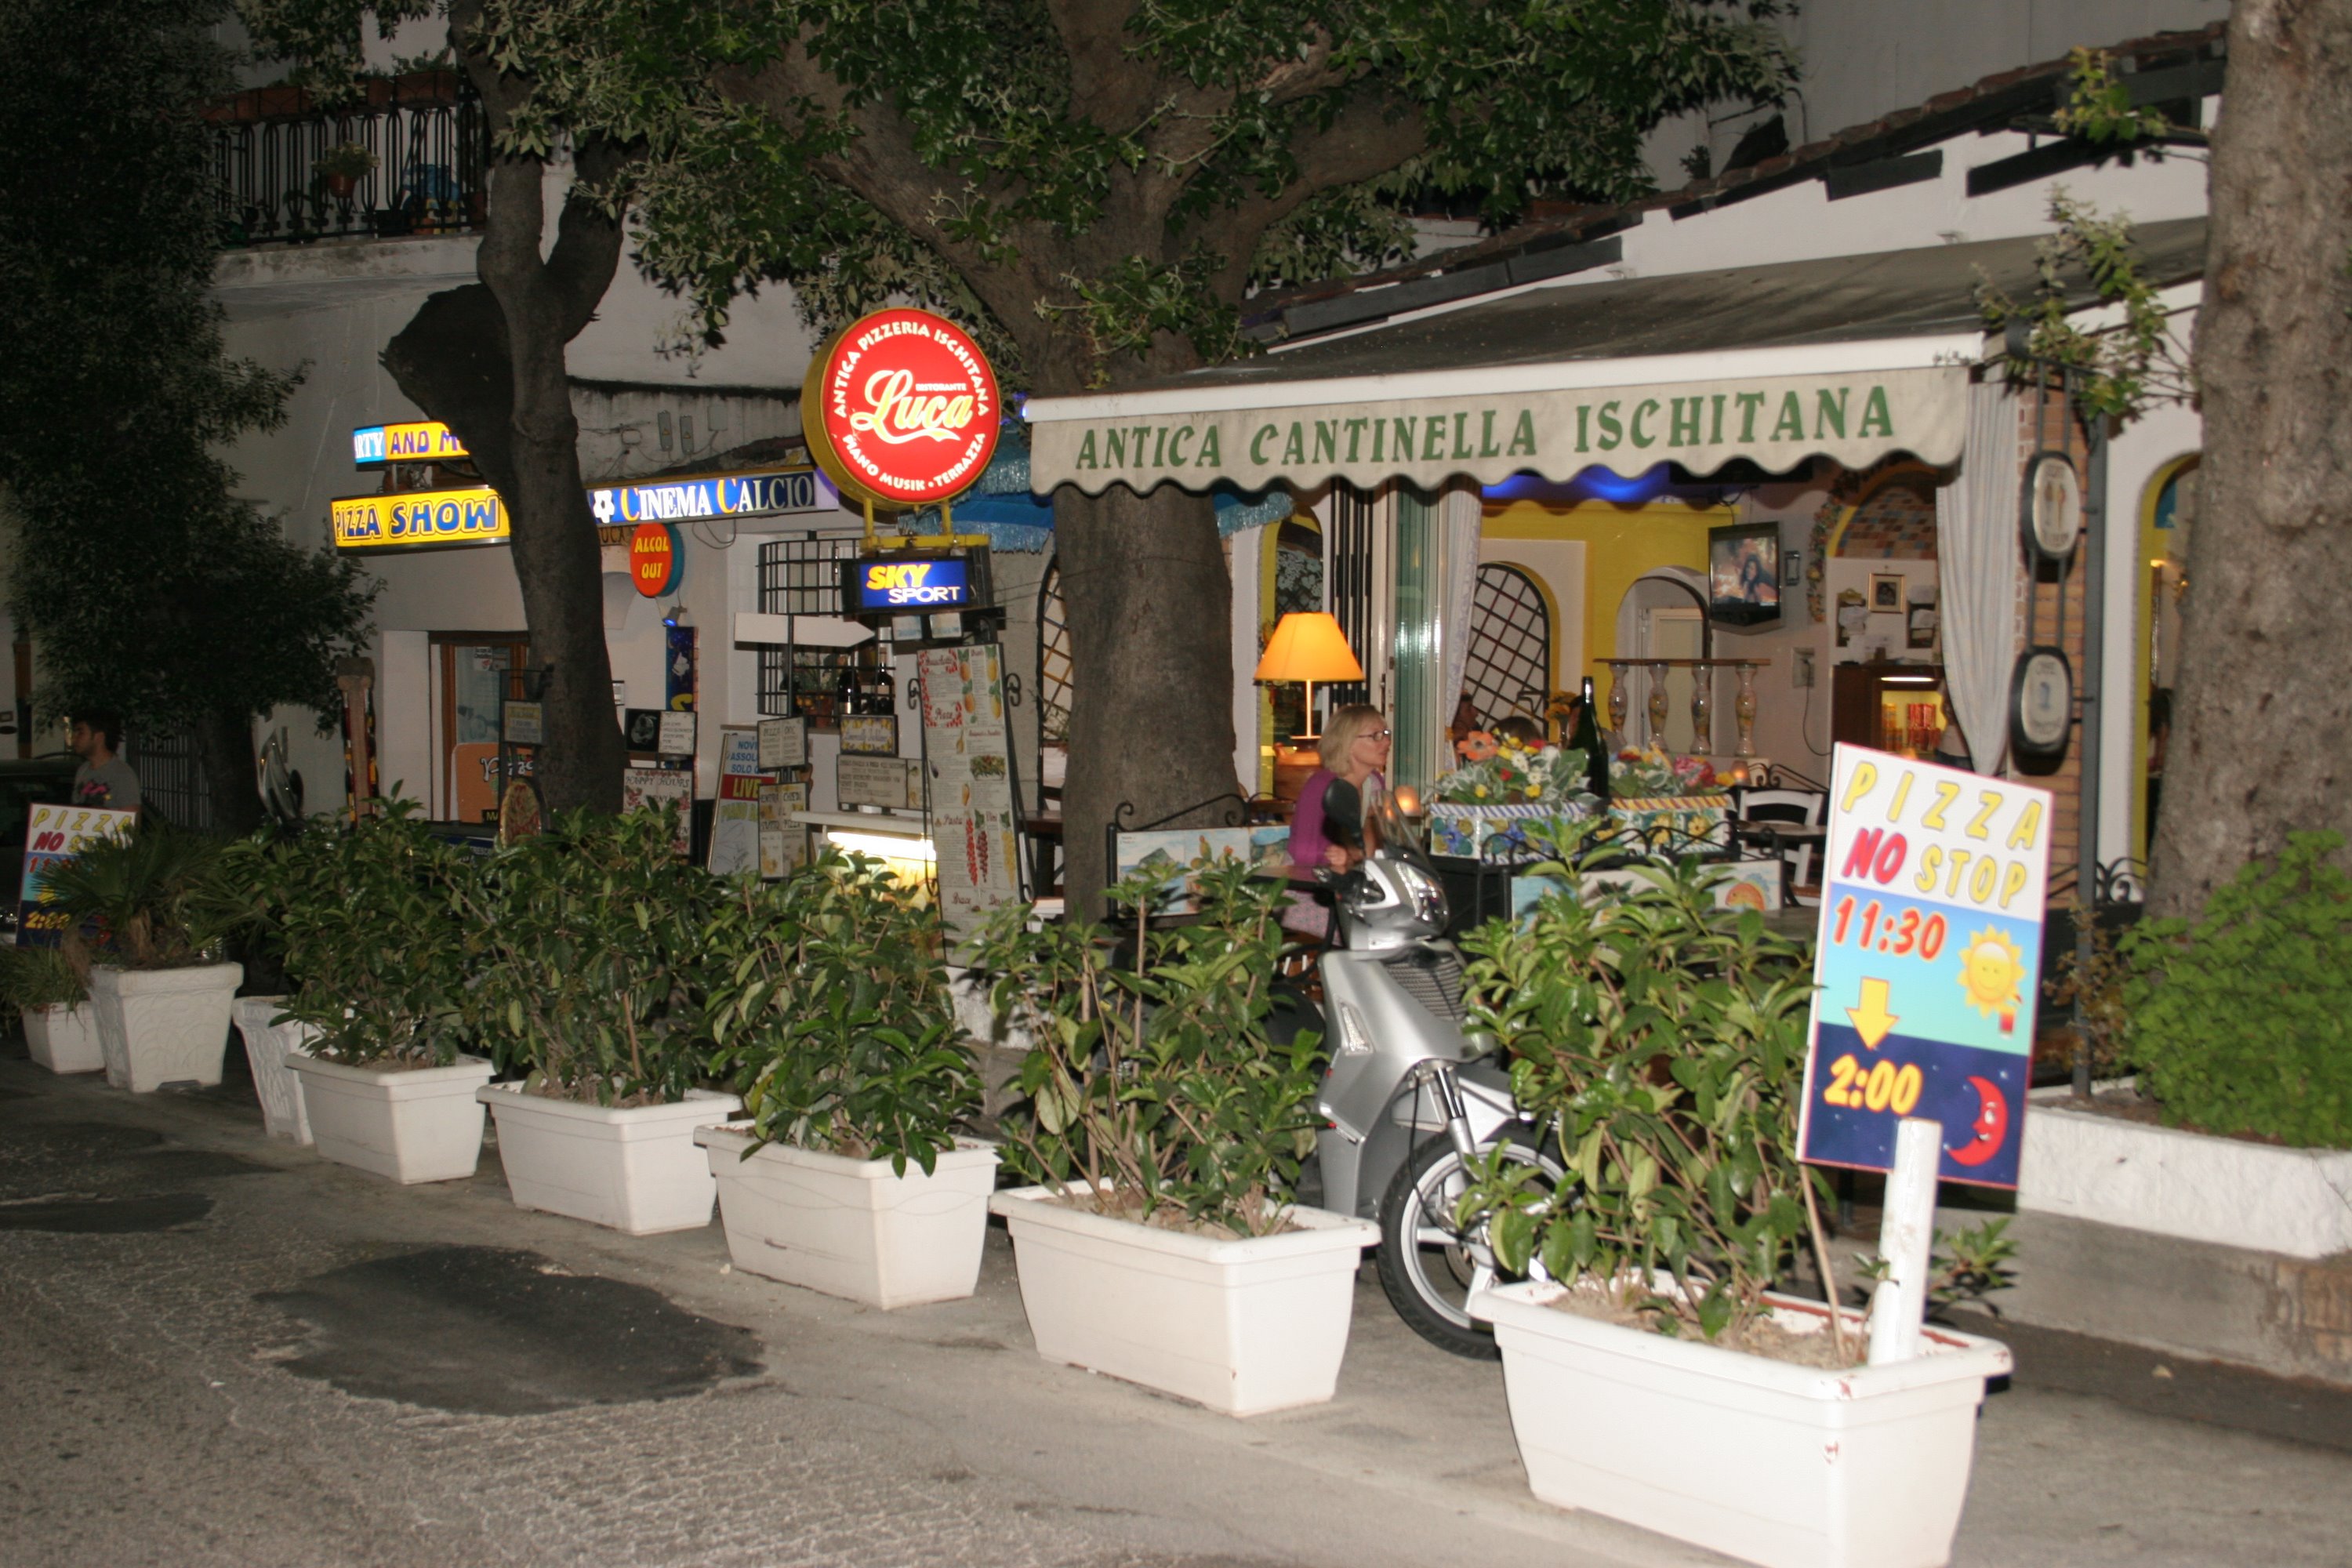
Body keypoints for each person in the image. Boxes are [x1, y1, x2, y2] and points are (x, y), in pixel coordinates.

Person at [1290, 705, 1390, 874]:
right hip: (1312, 882)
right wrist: (1337, 856)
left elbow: (1375, 846)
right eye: (1376, 736)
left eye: (1386, 734)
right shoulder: (1320, 786)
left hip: (1357, 877)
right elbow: (1303, 853)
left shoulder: (1374, 783)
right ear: (1347, 742)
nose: (1387, 742)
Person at [67, 713, 141, 811]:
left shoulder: (122, 774)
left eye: (80, 733)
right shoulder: (83, 770)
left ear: (99, 737)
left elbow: (131, 817)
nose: (74, 738)